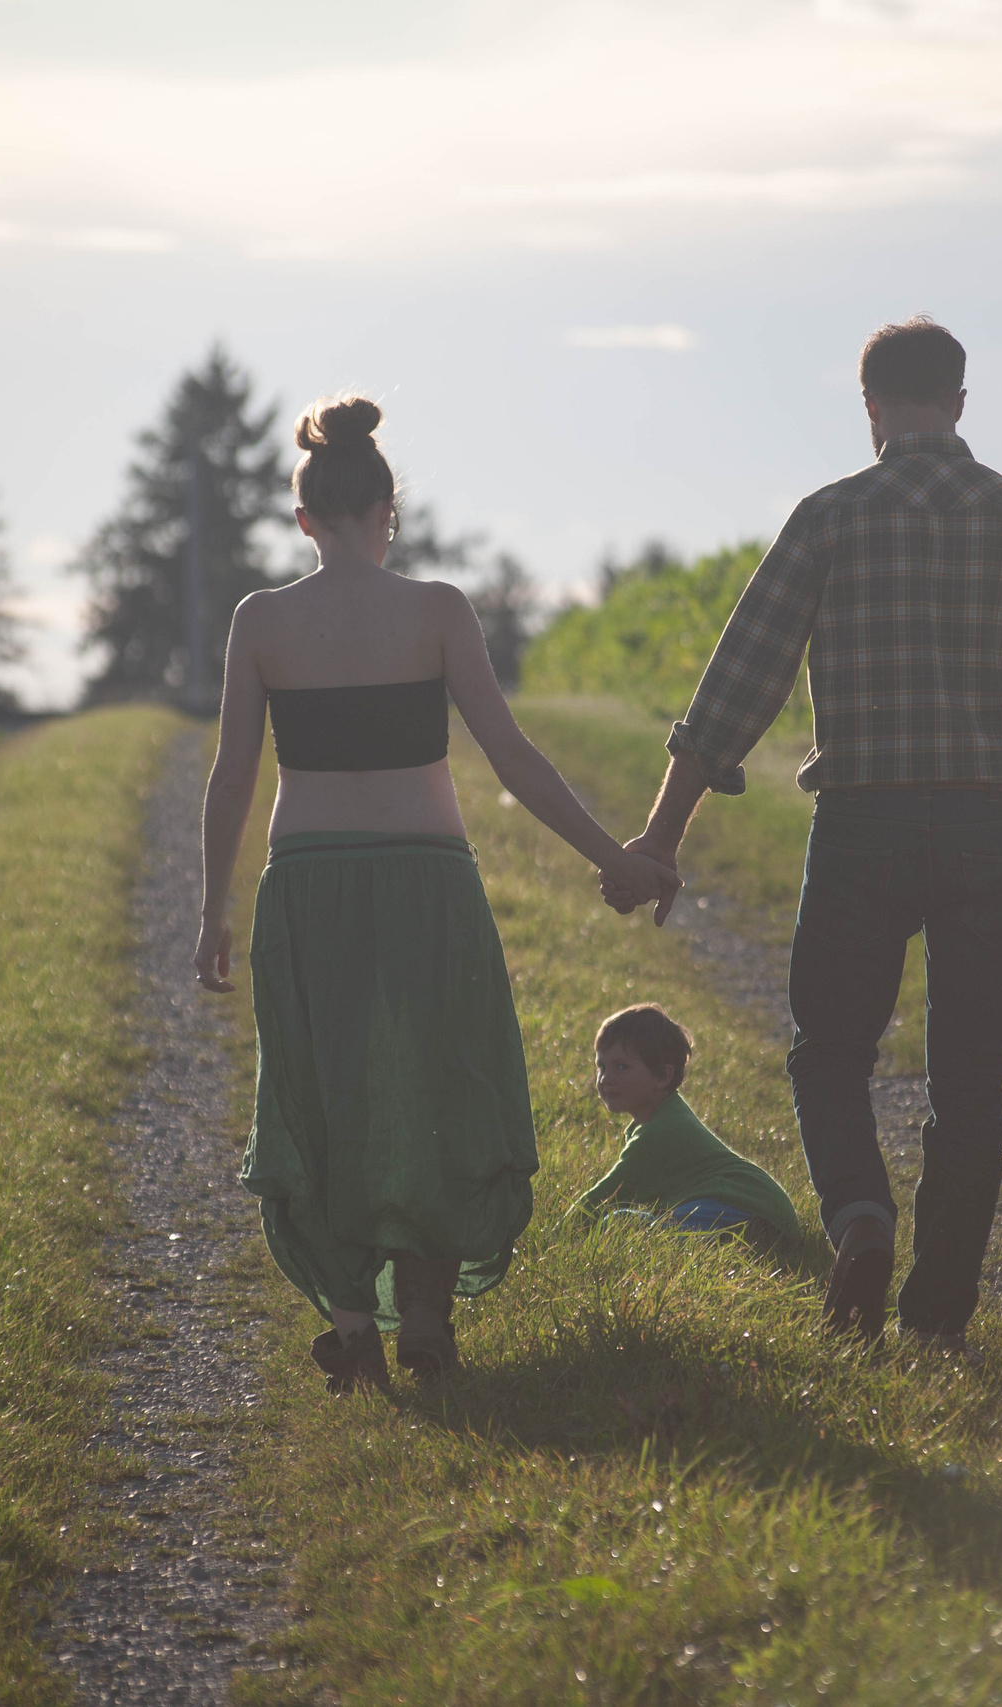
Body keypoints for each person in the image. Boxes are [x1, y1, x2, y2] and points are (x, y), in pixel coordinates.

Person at [602, 316, 1002, 1352]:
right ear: (964, 403)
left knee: (830, 1052)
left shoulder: (829, 520)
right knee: (967, 1082)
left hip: (862, 825)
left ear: (871, 407)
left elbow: (733, 693)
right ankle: (936, 1316)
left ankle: (859, 1218)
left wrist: (663, 837)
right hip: (991, 826)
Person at [195, 394, 679, 1397]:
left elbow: (232, 777)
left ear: (303, 520)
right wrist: (612, 856)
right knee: (434, 1079)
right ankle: (422, 1302)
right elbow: (513, 758)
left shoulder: (262, 622)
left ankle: (347, 1324)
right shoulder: (436, 611)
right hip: (426, 878)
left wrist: (211, 911)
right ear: (389, 514)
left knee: (326, 1092)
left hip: (309, 884)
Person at [579, 1003, 800, 1246]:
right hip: (750, 1209)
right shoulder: (661, 1117)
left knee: (655, 1235)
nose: (605, 1079)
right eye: (601, 1066)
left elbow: (602, 1198)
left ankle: (746, 1239)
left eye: (622, 1067)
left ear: (663, 1076)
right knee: (621, 1221)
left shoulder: (658, 1134)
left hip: (752, 1210)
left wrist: (557, 1234)